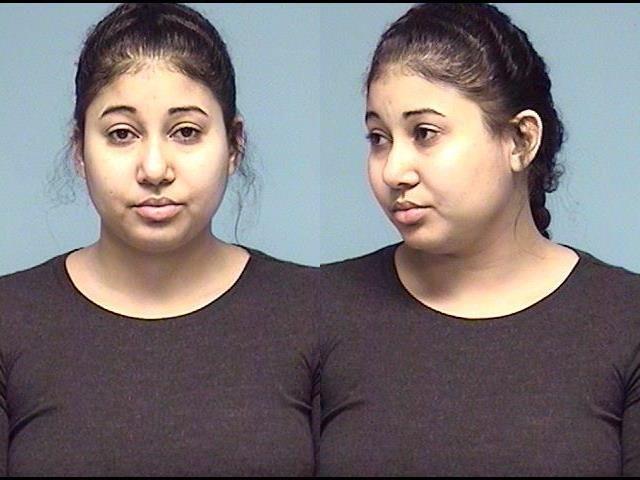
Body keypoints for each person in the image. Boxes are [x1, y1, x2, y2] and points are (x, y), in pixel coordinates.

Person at [318, 3, 640, 476]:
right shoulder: (317, 308)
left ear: (520, 140)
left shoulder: (626, 319)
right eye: (378, 138)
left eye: (424, 133)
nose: (393, 171)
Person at [0, 3, 318, 476]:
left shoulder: (316, 312)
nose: (154, 169)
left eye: (186, 132)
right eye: (121, 134)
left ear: (233, 145)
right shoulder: (9, 318)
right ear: (79, 149)